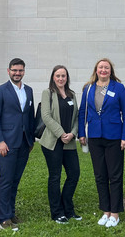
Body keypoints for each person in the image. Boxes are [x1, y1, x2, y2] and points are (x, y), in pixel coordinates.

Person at [78, 58, 125, 228]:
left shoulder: (118, 87)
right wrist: (81, 133)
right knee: (100, 175)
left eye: (106, 67)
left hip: (114, 137)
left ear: (110, 70)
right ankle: (105, 211)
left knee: (114, 176)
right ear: (96, 70)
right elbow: (82, 113)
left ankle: (115, 213)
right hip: (94, 136)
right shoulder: (88, 88)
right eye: (100, 67)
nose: (103, 70)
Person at [0, 58, 35, 231]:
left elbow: (30, 115)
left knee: (15, 180)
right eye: (14, 70)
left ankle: (11, 212)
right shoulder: (0, 90)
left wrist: (30, 139)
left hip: (24, 142)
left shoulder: (29, 90)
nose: (17, 73)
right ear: (8, 71)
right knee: (6, 180)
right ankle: (3, 218)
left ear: (24, 71)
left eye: (20, 70)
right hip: (6, 143)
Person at [38, 65, 81, 224]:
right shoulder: (47, 93)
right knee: (55, 177)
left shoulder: (72, 95)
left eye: (63, 76)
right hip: (52, 141)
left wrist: (72, 133)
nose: (61, 79)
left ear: (67, 78)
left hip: (69, 142)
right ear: (53, 77)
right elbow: (46, 116)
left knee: (74, 174)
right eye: (58, 76)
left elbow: (77, 117)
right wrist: (61, 133)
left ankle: (68, 208)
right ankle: (57, 213)